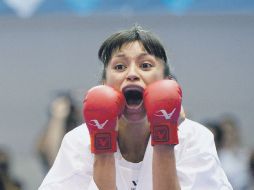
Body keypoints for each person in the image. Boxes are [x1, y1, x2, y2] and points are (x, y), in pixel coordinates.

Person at [39, 25, 232, 190]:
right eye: (120, 67)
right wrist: (102, 147)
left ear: (168, 82)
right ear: (104, 85)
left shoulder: (193, 138)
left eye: (146, 65)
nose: (132, 73)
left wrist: (165, 138)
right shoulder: (79, 141)